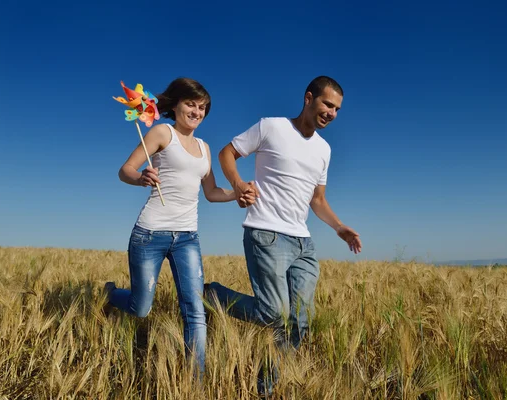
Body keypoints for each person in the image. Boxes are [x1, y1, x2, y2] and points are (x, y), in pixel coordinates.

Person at [205, 75, 362, 395]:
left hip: (302, 242)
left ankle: (267, 387)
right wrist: (238, 185)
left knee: (300, 322)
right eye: (327, 104)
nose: (332, 112)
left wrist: (339, 226)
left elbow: (317, 200)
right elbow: (227, 154)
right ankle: (213, 295)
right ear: (308, 98)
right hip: (266, 235)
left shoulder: (324, 150)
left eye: (337, 109)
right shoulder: (271, 127)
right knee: (274, 313)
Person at [104, 77, 255, 379]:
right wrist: (141, 178)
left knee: (195, 311)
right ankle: (110, 295)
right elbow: (125, 170)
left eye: (202, 108)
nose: (197, 111)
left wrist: (237, 193)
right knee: (141, 307)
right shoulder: (162, 132)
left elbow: (211, 193)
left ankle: (193, 383)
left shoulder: (205, 147)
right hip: (150, 234)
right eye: (191, 104)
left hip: (187, 237)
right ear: (175, 105)